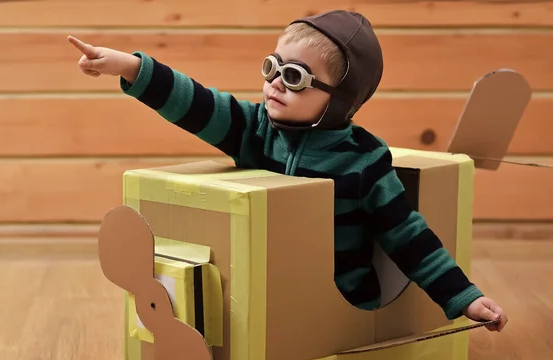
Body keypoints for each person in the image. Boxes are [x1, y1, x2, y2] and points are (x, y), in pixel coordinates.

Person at [67, 10, 508, 332]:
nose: (275, 82)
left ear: (339, 100)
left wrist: (463, 297)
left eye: (294, 76)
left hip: (341, 305)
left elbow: (408, 236)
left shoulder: (363, 160)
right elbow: (196, 103)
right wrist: (129, 67)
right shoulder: (254, 129)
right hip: (270, 296)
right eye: (272, 67)